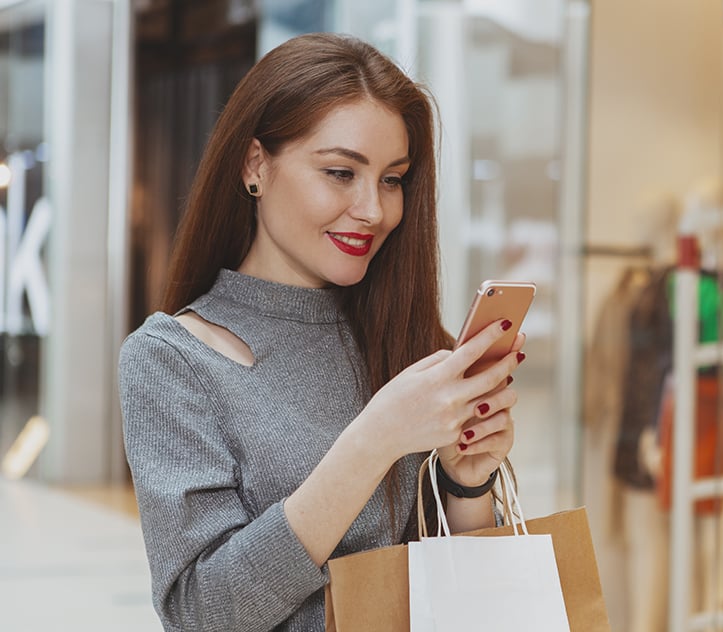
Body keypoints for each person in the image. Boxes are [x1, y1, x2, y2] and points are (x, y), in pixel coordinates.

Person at [118, 33, 524, 632]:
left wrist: (468, 482)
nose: (373, 210)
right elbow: (202, 613)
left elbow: (460, 592)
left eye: (392, 179)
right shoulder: (172, 360)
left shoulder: (410, 336)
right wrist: (374, 440)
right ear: (256, 164)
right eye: (341, 173)